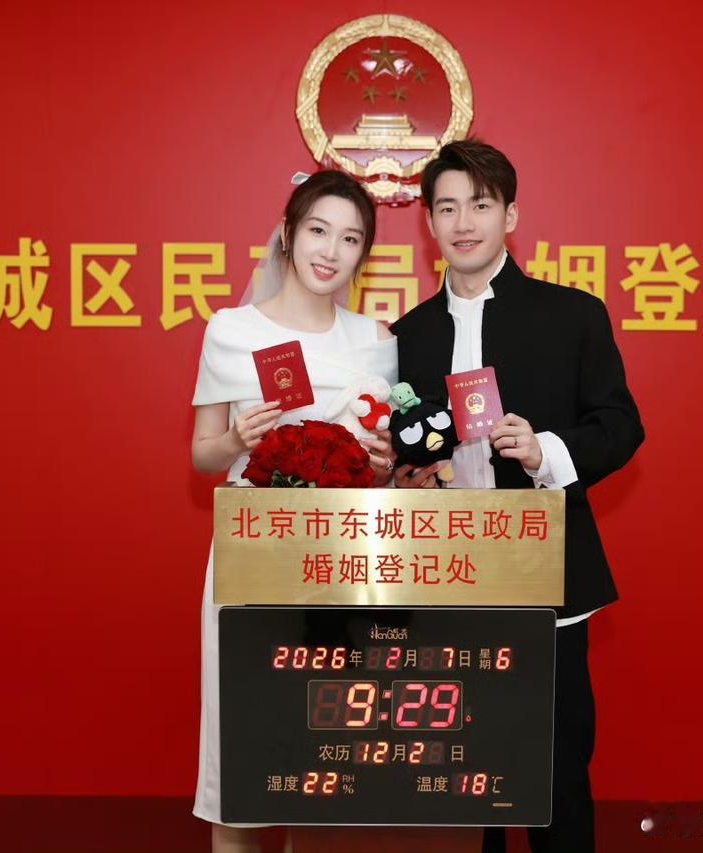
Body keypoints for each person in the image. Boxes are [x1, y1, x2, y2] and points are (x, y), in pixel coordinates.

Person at [391, 140, 644, 852]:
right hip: (443, 580)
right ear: (429, 224)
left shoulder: (572, 315)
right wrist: (404, 478)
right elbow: (399, 448)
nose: (463, 222)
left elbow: (621, 425)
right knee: (453, 775)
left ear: (510, 215)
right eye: (447, 208)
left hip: (545, 576)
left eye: (479, 204)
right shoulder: (406, 335)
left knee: (553, 773)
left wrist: (545, 452)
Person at [189, 170, 399, 852]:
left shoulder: (376, 339)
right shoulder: (231, 330)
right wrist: (236, 441)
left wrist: (382, 463)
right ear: (288, 233)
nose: (330, 251)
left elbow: (383, 464)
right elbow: (203, 454)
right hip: (254, 553)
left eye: (350, 239)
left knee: (323, 756)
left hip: (340, 564)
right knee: (244, 744)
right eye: (318, 230)